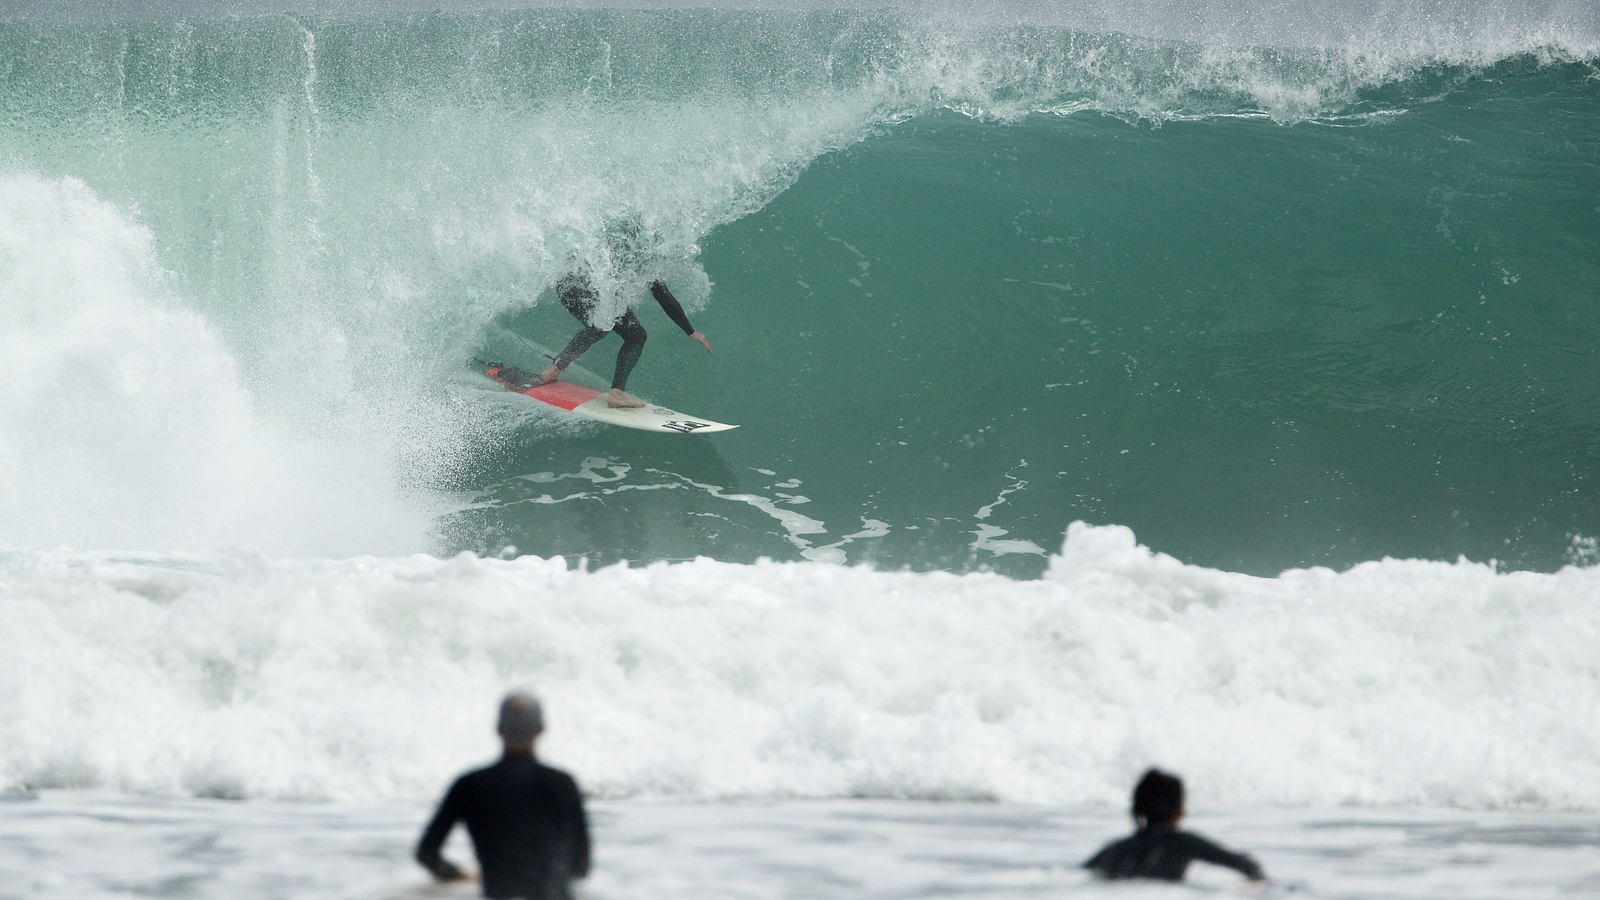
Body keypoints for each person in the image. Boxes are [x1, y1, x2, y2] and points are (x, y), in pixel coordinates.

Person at [416, 692, 590, 900]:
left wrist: (459, 876)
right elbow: (581, 866)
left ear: (498, 729)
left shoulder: (470, 785)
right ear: (541, 729)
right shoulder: (563, 784)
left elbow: (427, 854)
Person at [538, 221, 712, 409]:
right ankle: (617, 394)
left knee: (599, 327)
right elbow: (663, 296)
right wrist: (690, 331)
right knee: (634, 335)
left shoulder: (623, 239)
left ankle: (552, 370)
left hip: (566, 282)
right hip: (585, 284)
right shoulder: (646, 254)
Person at [1083, 768, 1266, 883]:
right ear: (1179, 811)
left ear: (1139, 809)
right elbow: (1246, 865)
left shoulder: (1116, 849)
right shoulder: (1183, 843)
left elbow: (1083, 873)